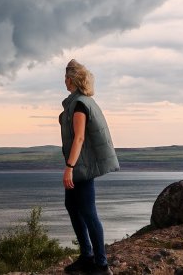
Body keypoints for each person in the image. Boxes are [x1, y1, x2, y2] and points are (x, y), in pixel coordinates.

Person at [60, 59, 119, 275]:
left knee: (88, 213)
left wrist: (69, 167)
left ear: (73, 79)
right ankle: (87, 256)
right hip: (79, 166)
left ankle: (101, 265)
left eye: (66, 78)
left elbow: (79, 138)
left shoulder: (80, 104)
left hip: (80, 168)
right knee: (73, 208)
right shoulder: (77, 102)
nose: (64, 81)